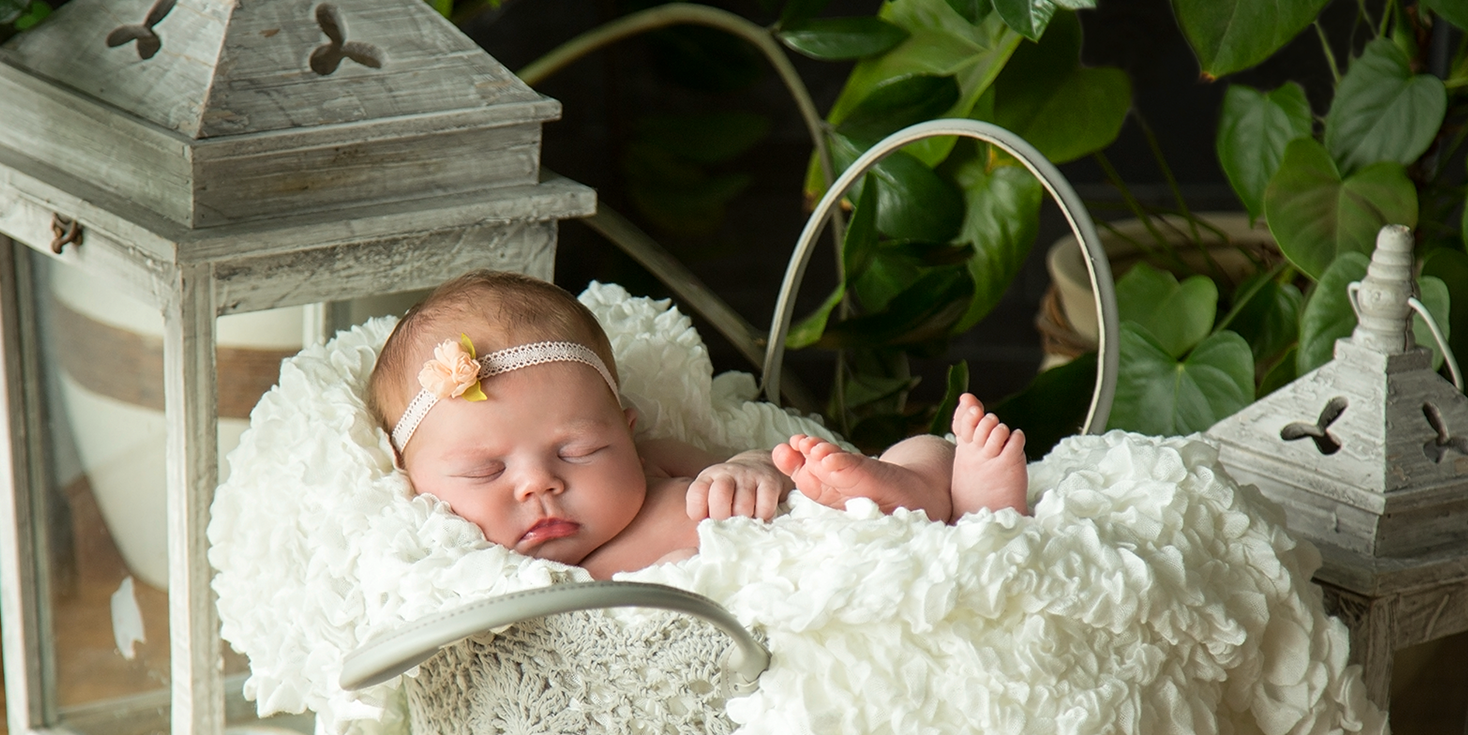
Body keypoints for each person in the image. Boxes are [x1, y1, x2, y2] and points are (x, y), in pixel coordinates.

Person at [368, 271, 1029, 579]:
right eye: (485, 470)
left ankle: (945, 496)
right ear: (413, 486)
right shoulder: (500, 586)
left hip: (822, 526)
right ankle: (963, 517)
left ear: (626, 432)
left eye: (579, 450)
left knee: (923, 447)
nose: (539, 484)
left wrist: (748, 470)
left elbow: (756, 466)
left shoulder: (657, 463)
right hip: (805, 586)